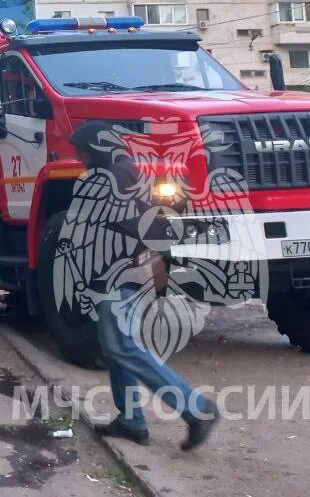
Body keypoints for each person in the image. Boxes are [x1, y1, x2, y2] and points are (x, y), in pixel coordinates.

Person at [70, 120, 218, 451]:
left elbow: (114, 227)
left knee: (123, 347)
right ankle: (131, 421)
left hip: (120, 273)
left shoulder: (116, 176)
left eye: (81, 150)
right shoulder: (125, 170)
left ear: (97, 147)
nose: (79, 157)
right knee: (117, 348)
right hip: (128, 272)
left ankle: (197, 409)